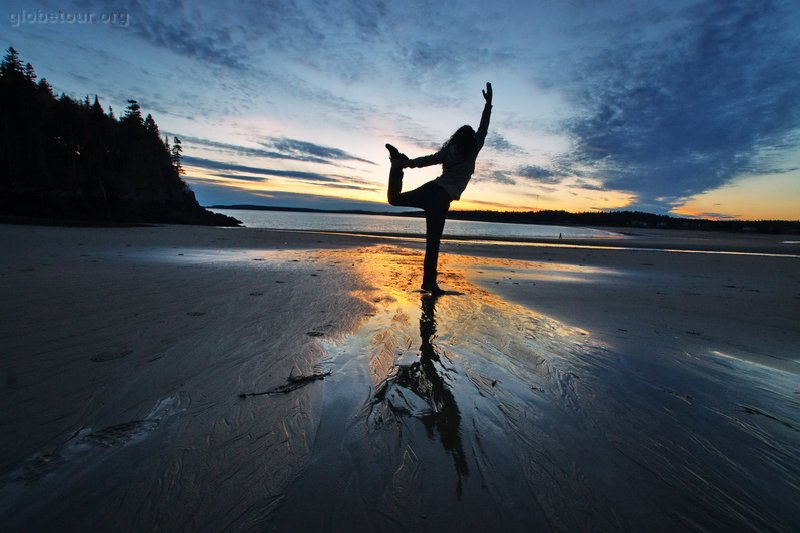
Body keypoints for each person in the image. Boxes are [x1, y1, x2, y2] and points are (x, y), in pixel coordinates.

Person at [385, 82, 492, 294]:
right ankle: (429, 282)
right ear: (470, 140)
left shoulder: (449, 151)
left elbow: (427, 160)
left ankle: (396, 166)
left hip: (430, 190)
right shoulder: (474, 147)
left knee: (394, 199)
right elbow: (483, 128)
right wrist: (488, 104)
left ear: (456, 137)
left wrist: (405, 164)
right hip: (440, 199)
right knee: (432, 242)